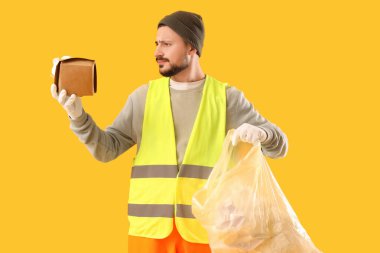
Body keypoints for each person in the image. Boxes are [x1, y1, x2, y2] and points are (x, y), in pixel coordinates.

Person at [51, 10, 288, 253]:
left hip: (206, 231)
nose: (157, 52)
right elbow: (105, 150)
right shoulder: (143, 98)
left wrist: (263, 134)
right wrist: (78, 116)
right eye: (156, 44)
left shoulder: (226, 99)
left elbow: (280, 146)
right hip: (148, 232)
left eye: (166, 44)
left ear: (191, 48)